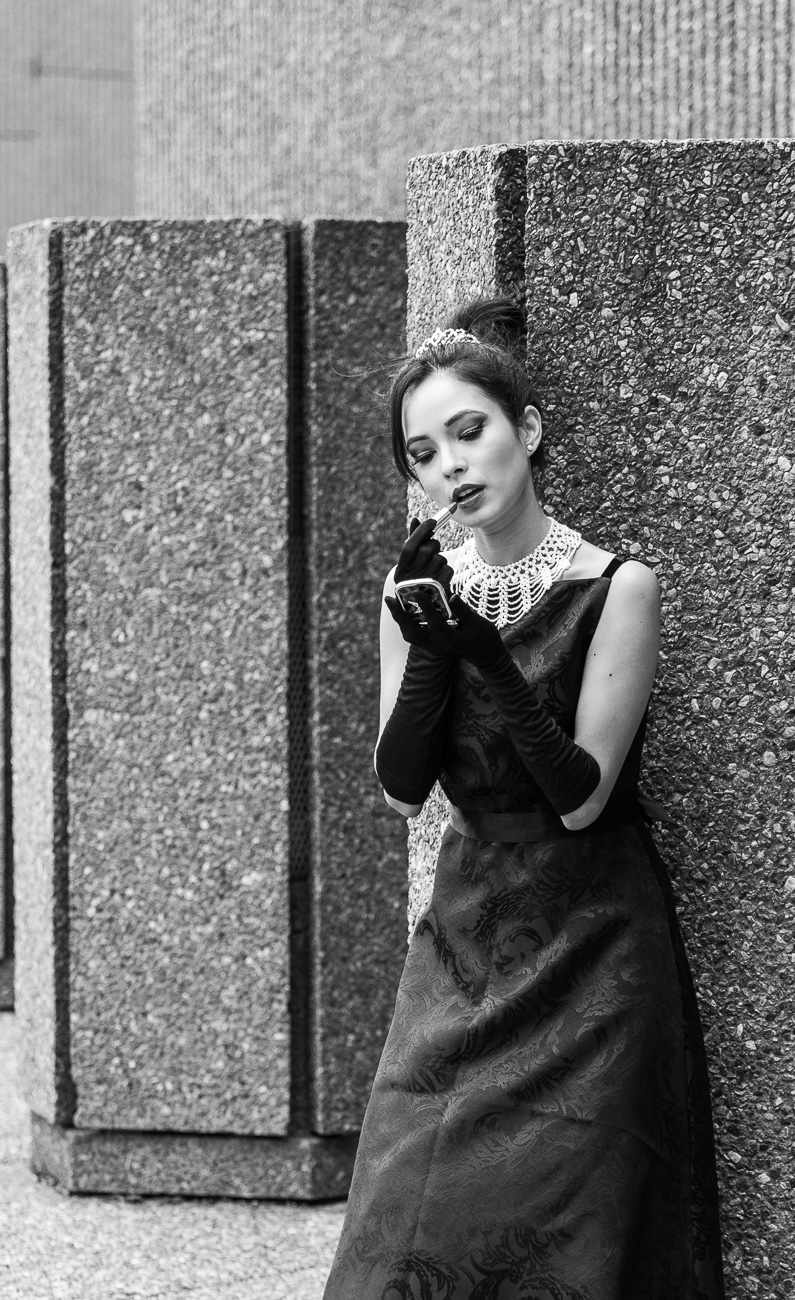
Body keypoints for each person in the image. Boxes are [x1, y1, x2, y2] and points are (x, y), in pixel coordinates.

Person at [322, 299, 725, 1300]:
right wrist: (431, 640)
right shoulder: (412, 594)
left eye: (470, 432)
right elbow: (400, 789)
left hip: (594, 935)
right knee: (402, 1211)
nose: (452, 466)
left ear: (527, 430)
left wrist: (486, 654)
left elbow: (581, 797)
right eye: (424, 454)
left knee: (575, 1235)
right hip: (465, 931)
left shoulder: (618, 586)